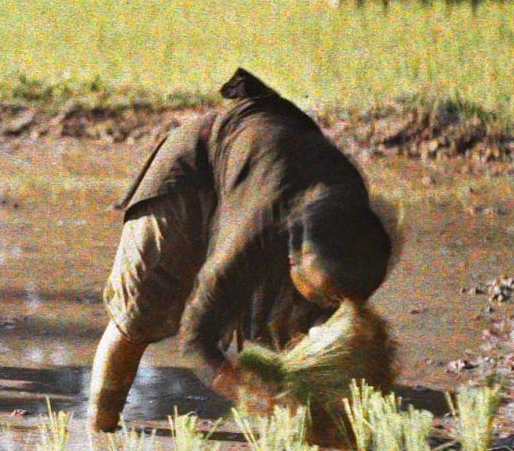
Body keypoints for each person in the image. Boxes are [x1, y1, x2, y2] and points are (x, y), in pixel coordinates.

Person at [87, 67, 395, 432]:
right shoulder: (253, 230)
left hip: (261, 170)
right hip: (192, 175)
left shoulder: (352, 212)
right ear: (291, 260)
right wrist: (248, 394)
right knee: (140, 314)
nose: (337, 308)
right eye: (330, 297)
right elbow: (196, 335)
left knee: (297, 329)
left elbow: (332, 303)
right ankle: (100, 425)